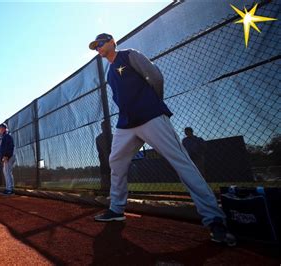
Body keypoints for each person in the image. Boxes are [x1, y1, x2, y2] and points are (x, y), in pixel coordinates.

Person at [89, 33, 236, 246]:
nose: (98, 49)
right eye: (95, 47)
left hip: (151, 117)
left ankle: (214, 218)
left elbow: (155, 76)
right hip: (126, 124)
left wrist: (154, 103)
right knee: (116, 162)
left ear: (112, 42)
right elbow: (118, 99)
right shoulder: (110, 72)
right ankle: (117, 209)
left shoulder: (130, 55)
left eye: (100, 44)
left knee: (180, 161)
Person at [0, 123, 15, 194]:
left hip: (8, 156)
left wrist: (6, 156)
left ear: (5, 128)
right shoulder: (4, 136)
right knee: (6, 172)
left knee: (7, 172)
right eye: (0, 128)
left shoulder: (7, 136)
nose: (0, 130)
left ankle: (10, 189)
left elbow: (10, 146)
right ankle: (9, 188)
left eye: (1, 128)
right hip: (7, 156)